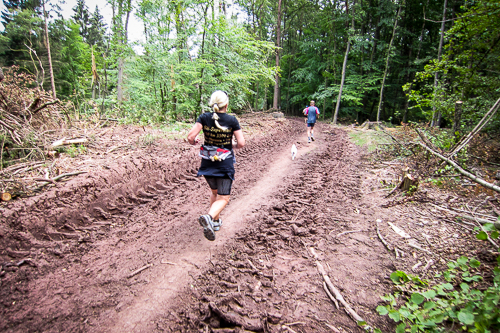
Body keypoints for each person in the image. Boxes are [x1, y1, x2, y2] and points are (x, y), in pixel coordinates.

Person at [187, 90, 245, 241]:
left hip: (207, 163)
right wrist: (231, 144)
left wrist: (193, 142)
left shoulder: (204, 117)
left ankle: (215, 222)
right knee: (224, 198)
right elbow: (241, 143)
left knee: (215, 193)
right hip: (224, 164)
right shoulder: (232, 120)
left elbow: (191, 137)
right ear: (226, 104)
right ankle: (209, 216)